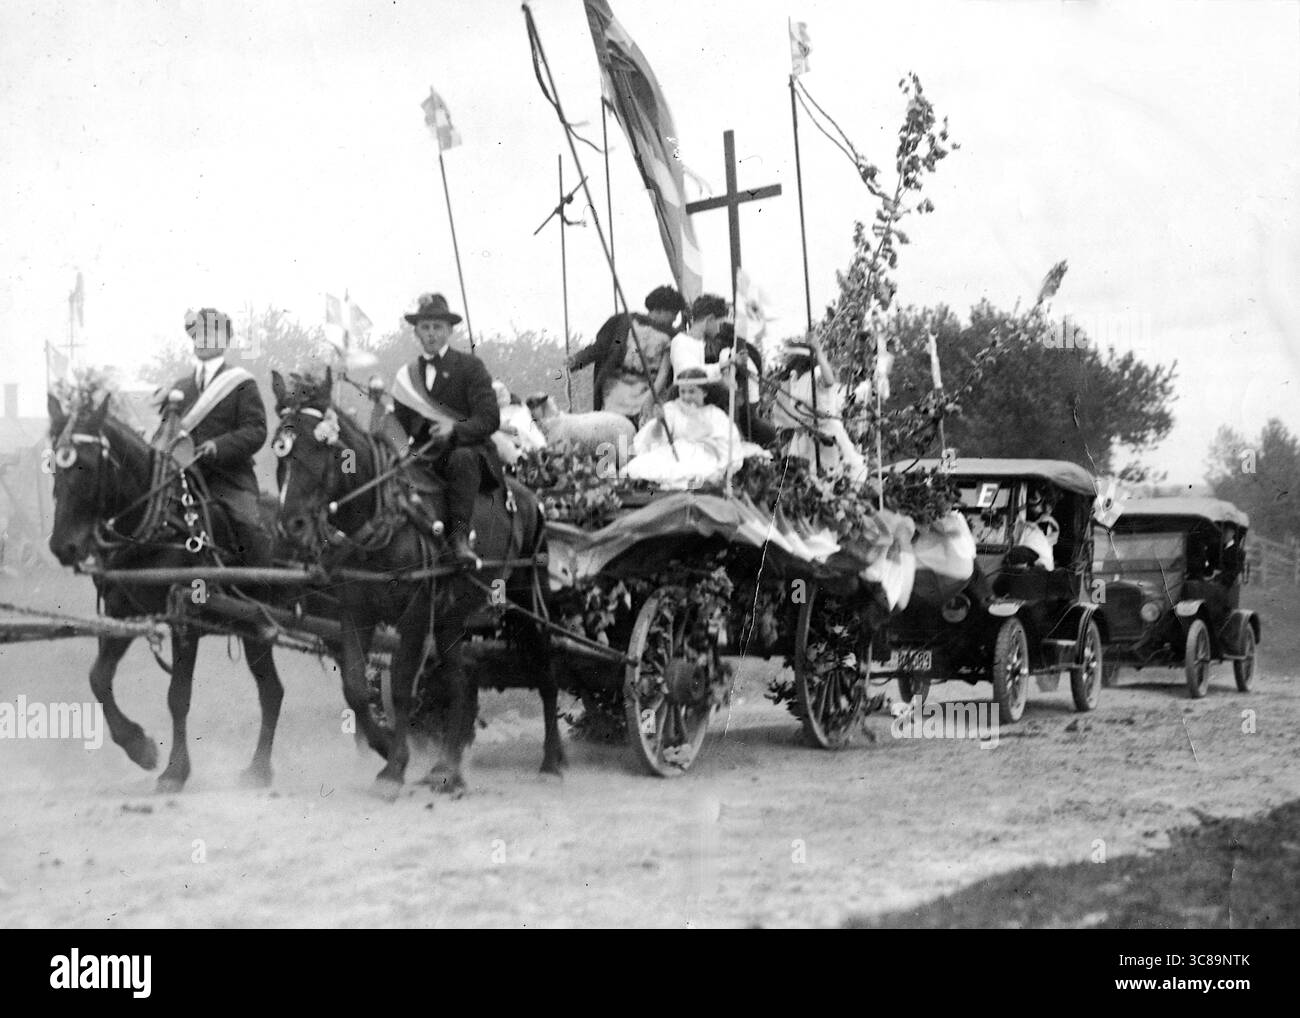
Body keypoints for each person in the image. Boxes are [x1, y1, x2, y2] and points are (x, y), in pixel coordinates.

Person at [390, 292, 501, 564]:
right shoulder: (407, 375)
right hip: (425, 455)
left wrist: (455, 429)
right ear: (416, 331)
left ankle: (460, 539)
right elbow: (399, 427)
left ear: (449, 330)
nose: (431, 334)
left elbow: (489, 418)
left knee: (460, 459)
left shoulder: (470, 367)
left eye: (437, 327)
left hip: (468, 451)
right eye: (425, 327)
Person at [166, 307, 271, 566]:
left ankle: (262, 595)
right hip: (183, 480)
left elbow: (256, 430)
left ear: (224, 340)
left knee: (251, 531)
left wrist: (219, 446)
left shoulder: (241, 383)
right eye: (196, 334)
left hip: (229, 479)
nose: (201, 340)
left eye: (208, 333)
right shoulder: (179, 388)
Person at [624, 367, 764, 489]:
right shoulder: (672, 409)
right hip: (673, 453)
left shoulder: (714, 414)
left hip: (704, 455)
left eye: (691, 392)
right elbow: (653, 440)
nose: (686, 397)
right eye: (682, 391)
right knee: (644, 467)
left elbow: (726, 445)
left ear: (704, 393)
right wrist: (660, 422)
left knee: (695, 473)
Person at [567, 285, 685, 416]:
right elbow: (600, 347)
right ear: (661, 309)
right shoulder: (623, 322)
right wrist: (578, 359)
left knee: (645, 431)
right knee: (620, 432)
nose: (675, 319)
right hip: (617, 390)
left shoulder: (673, 338)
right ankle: (622, 438)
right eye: (674, 314)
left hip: (649, 392)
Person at [768, 334, 868, 481]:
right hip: (805, 434)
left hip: (827, 432)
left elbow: (829, 381)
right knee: (800, 477)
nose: (786, 360)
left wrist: (818, 351)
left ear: (799, 358)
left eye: (789, 356)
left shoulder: (817, 373)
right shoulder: (794, 377)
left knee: (833, 476)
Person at [706, 322, 776, 446]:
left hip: (743, 407)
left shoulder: (727, 353)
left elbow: (728, 385)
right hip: (752, 405)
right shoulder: (749, 352)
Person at [490, 379, 546, 465]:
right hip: (520, 456)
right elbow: (513, 430)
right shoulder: (494, 416)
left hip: (538, 446)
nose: (502, 393)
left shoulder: (520, 407)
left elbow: (526, 428)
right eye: (497, 393)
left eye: (502, 389)